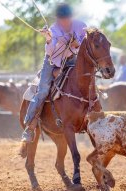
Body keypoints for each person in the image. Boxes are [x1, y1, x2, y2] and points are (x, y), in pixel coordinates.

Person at [21, 3, 87, 143]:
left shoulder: (81, 25)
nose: (63, 21)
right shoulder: (53, 29)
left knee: (86, 80)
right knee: (43, 90)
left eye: (66, 18)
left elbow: (84, 42)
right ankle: (30, 126)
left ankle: (93, 114)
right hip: (52, 62)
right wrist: (49, 39)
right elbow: (51, 52)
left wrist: (77, 43)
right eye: (61, 18)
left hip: (71, 59)